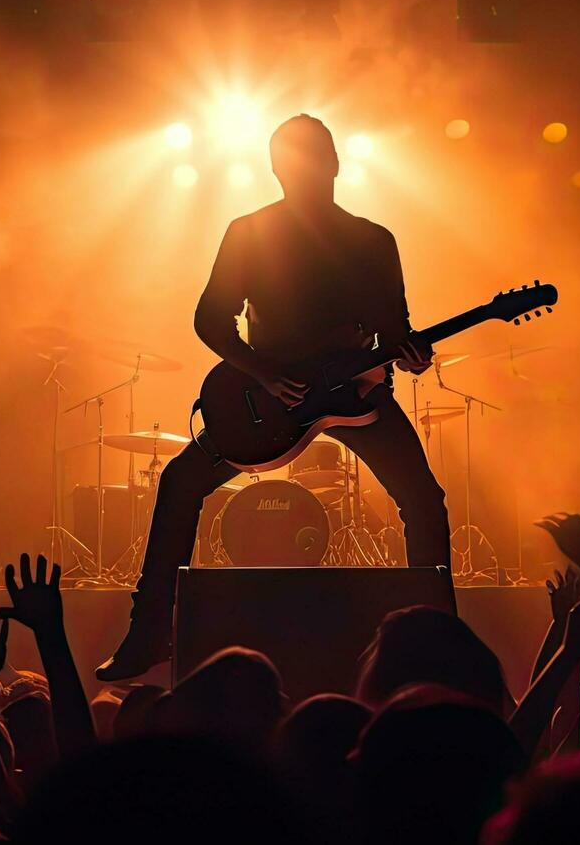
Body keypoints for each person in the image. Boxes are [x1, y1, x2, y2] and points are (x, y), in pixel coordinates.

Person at [96, 113, 448, 680]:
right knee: (180, 482)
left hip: (355, 399)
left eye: (313, 158)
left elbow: (393, 327)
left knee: (424, 502)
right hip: (270, 404)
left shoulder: (373, 240)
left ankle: (434, 640)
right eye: (293, 160)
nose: (304, 171)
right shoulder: (250, 231)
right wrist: (261, 374)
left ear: (334, 164)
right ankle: (149, 633)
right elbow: (210, 319)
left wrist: (410, 355)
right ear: (277, 169)